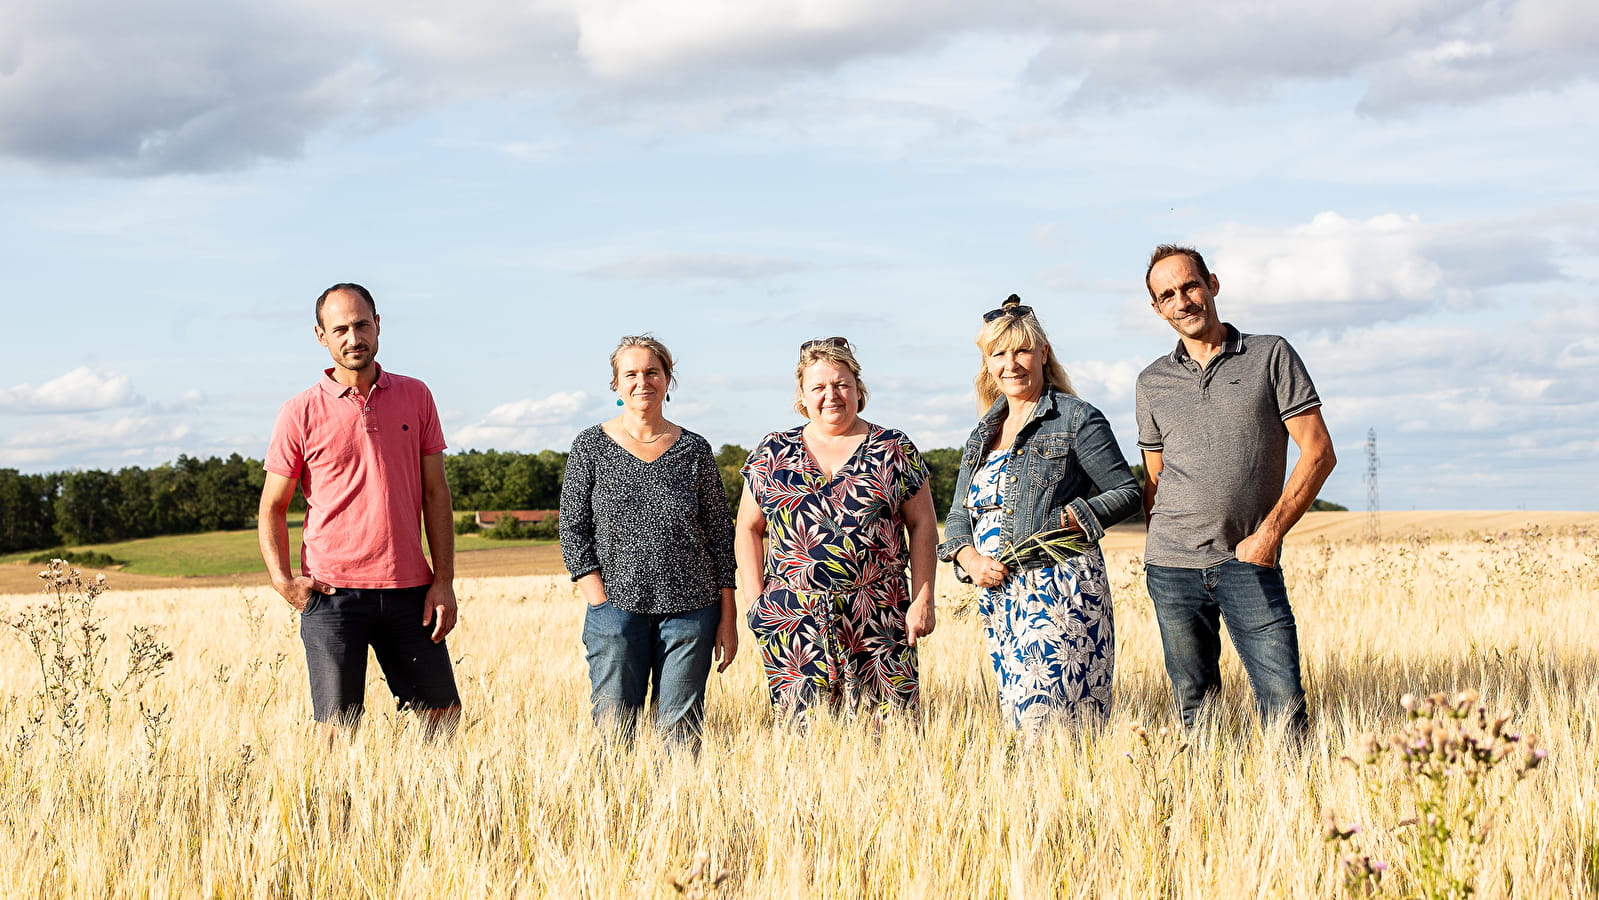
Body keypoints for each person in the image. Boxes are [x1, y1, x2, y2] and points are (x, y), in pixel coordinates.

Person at [1136, 244, 1336, 738]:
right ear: (1157, 309)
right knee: (1195, 706)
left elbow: (1318, 453)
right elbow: (1154, 480)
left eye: (1190, 286)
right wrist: (1160, 545)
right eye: (1168, 295)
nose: (1182, 301)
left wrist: (1268, 536)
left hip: (1248, 561)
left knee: (1284, 702)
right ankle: (1211, 805)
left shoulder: (1271, 355)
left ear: (1212, 285)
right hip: (1171, 567)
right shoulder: (1151, 381)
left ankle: (1293, 805)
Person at [258, 283, 461, 743]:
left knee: (442, 720)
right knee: (336, 733)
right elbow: (272, 506)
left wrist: (443, 580)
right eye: (341, 329)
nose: (354, 337)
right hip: (333, 595)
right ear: (320, 336)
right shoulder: (298, 412)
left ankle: (421, 811)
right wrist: (282, 580)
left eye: (362, 324)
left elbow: (436, 493)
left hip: (411, 588)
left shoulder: (417, 395)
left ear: (378, 325)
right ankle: (340, 816)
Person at [937, 297, 1141, 733]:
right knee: (1020, 723)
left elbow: (1127, 491)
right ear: (986, 363)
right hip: (999, 597)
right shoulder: (983, 432)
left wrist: (1077, 515)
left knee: (1051, 726)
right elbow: (957, 515)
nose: (1011, 363)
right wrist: (969, 561)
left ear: (1043, 353)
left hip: (1060, 588)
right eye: (999, 353)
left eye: (1022, 350)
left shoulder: (1076, 418)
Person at [736, 337, 937, 721]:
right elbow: (748, 527)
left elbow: (923, 524)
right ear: (802, 395)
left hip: (880, 618)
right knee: (806, 742)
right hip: (793, 622)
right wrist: (754, 602)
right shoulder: (772, 451)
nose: (832, 395)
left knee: (889, 736)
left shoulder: (894, 448)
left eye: (842, 384)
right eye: (819, 387)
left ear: (858, 389)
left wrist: (923, 598)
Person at [559, 335, 737, 751]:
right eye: (631, 374)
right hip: (616, 612)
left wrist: (726, 617)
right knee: (614, 735)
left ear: (668, 380)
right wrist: (600, 604)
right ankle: (615, 815)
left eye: (652, 372)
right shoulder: (590, 446)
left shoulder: (695, 449)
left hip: (692, 614)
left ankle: (678, 814)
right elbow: (572, 528)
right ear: (616, 385)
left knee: (680, 738)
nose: (643, 382)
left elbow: (719, 536)